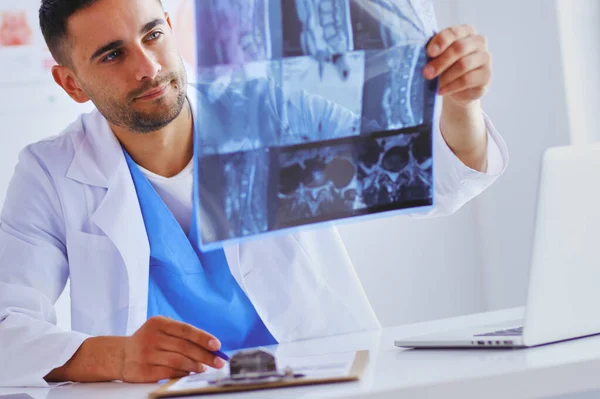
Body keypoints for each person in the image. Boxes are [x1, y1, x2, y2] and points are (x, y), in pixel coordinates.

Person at [0, 0, 507, 387]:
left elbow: (431, 183)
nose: (147, 67)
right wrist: (117, 355)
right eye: (112, 55)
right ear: (72, 84)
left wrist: (459, 105)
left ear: (171, 30)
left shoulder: (273, 114)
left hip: (319, 382)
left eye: (152, 35)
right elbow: (7, 329)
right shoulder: (50, 172)